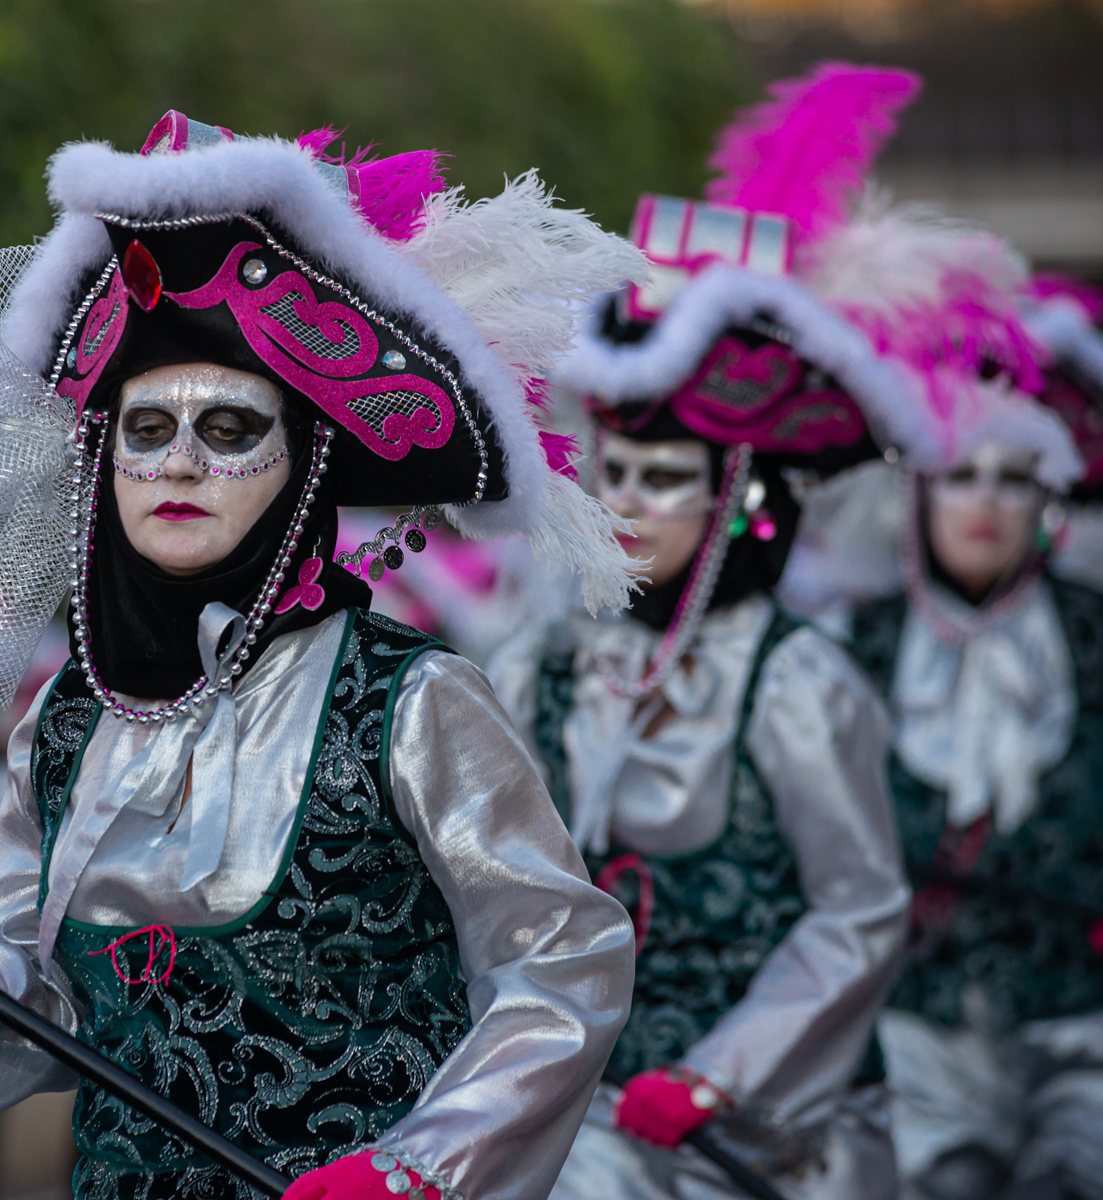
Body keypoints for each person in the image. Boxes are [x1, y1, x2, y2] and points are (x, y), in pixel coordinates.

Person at [0, 111, 647, 1200]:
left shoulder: (410, 702)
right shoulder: (71, 718)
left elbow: (563, 963)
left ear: (302, 466)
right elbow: (62, 1001)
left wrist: (417, 1171)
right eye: (146, 430)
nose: (178, 465)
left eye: (227, 431)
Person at [496, 64, 950, 1200]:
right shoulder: (540, 664)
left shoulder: (797, 682)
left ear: (741, 496)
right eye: (622, 472)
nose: (634, 501)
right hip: (574, 1117)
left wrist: (715, 1079)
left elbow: (858, 911)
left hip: (758, 1145)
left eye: (668, 477)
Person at [833, 265, 1100, 1200]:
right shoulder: (851, 645)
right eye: (960, 477)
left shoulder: (1092, 637)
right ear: (918, 494)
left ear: (1048, 500)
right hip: (916, 1030)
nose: (985, 503)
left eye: (1013, 479)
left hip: (1084, 1024)